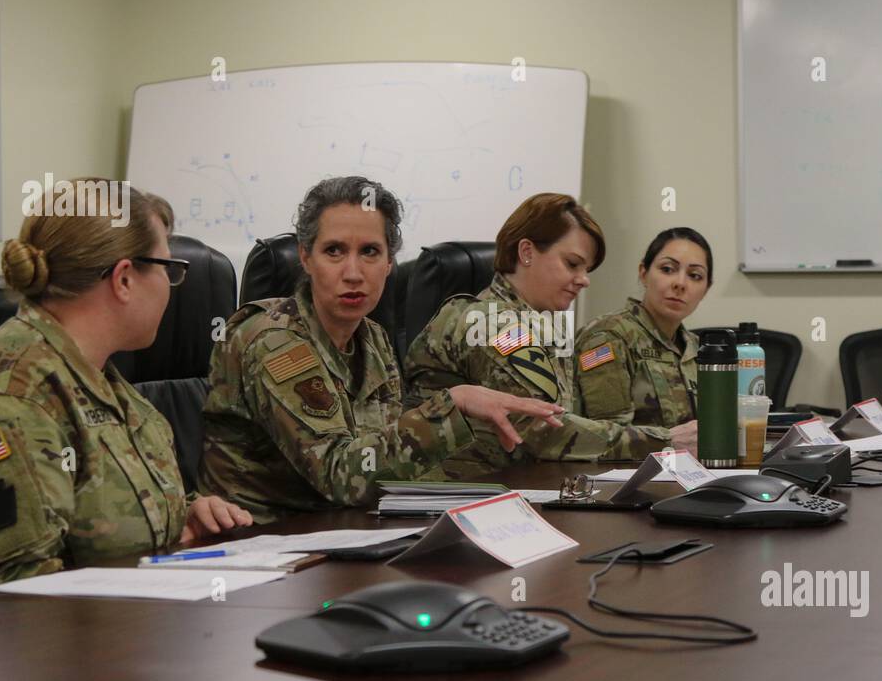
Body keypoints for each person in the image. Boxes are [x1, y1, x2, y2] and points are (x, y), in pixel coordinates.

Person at [0, 179, 252, 585]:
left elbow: (109, 520)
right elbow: (11, 598)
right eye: (168, 270)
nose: (172, 290)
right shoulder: (4, 402)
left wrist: (185, 518)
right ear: (124, 279)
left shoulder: (107, 386)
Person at [198, 176, 563, 522]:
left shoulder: (372, 338)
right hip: (264, 541)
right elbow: (339, 475)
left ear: (389, 263)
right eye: (334, 251)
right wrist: (454, 405)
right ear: (305, 258)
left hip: (348, 532)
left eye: (370, 252)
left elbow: (380, 461)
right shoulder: (271, 339)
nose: (353, 272)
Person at [403, 193, 698, 478]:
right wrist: (664, 441)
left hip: (521, 488)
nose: (584, 280)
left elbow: (575, 420)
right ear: (527, 252)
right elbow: (546, 431)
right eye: (572, 264)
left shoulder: (547, 325)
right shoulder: (493, 323)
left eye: (586, 269)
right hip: (451, 500)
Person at [575, 227, 712, 426]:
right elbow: (606, 436)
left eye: (695, 276)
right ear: (643, 273)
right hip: (632, 458)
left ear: (706, 289)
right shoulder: (607, 337)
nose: (680, 283)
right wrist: (670, 441)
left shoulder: (700, 349)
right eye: (667, 269)